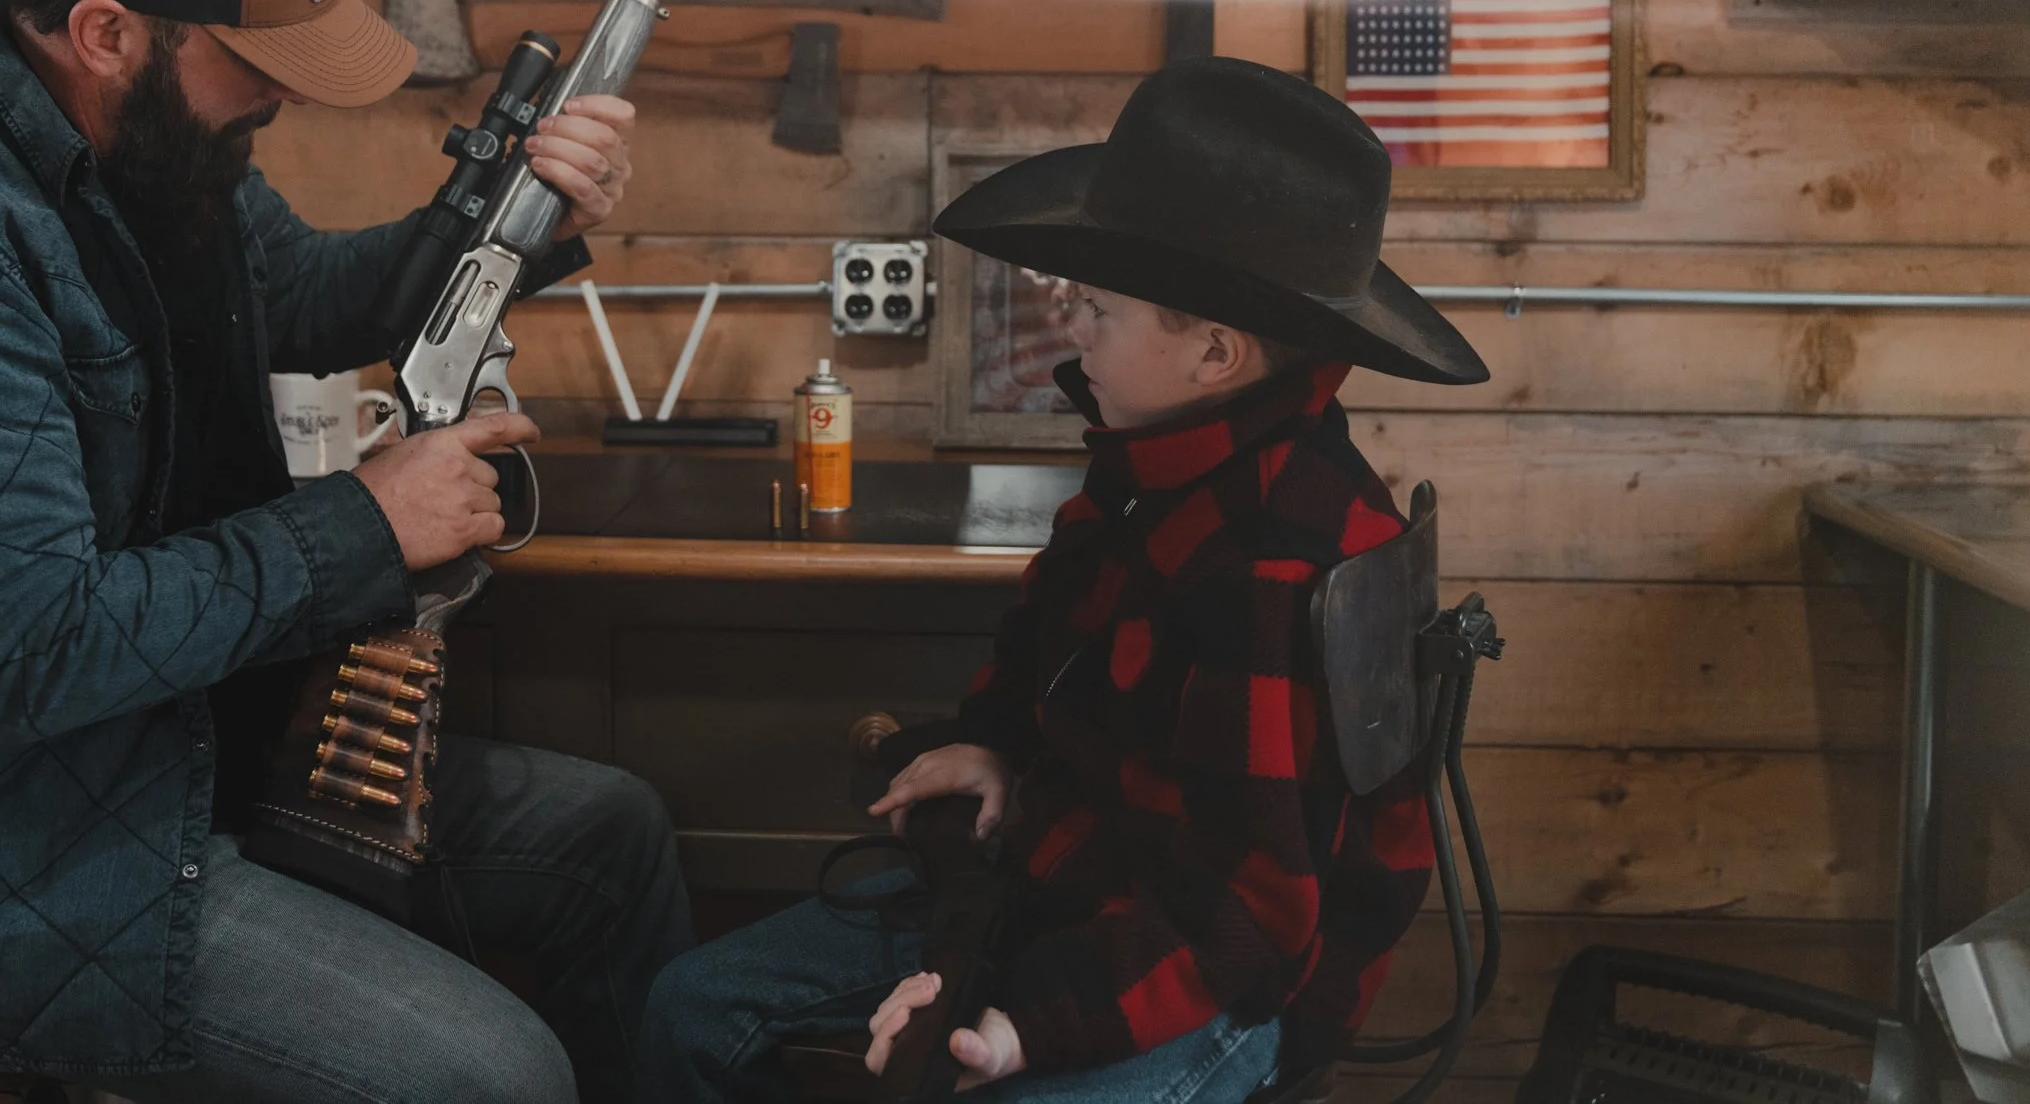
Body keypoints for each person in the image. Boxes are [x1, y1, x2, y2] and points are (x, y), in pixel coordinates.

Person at [0, 0, 691, 1104]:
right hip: (3, 864)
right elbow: (30, 651)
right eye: (258, 58)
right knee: (498, 1075)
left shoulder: (149, 154)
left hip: (193, 751)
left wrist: (528, 213)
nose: (289, 94)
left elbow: (307, 296)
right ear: (107, 32)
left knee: (612, 838)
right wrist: (369, 523)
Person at [637, 57, 1493, 1102]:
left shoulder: (1274, 560)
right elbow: (1062, 646)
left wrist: (1020, 1020)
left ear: (1214, 351)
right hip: (1078, 879)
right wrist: (1001, 747)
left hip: (1223, 972)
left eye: (1097, 309)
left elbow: (1249, 916)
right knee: (693, 1003)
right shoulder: (1160, 465)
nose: (1073, 330)